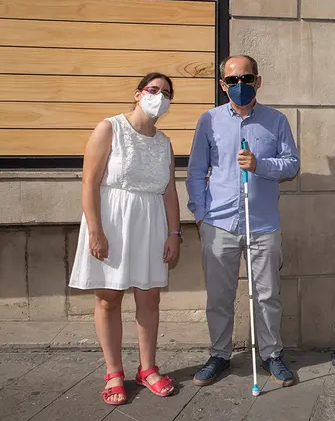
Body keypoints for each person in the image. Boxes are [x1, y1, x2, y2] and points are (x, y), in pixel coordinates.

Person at [187, 55, 300, 387]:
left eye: (246, 79)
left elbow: (292, 165)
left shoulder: (276, 120)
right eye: (232, 80)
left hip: (262, 224)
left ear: (258, 81)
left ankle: (271, 354)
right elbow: (195, 172)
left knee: (267, 294)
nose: (240, 86)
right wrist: (200, 215)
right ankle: (219, 355)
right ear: (223, 84)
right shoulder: (208, 120)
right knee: (219, 295)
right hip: (219, 223)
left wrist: (259, 164)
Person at [69, 72, 180, 405]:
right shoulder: (109, 128)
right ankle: (113, 371)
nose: (159, 96)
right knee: (109, 298)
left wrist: (174, 233)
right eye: (153, 89)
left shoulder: (164, 142)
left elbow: (170, 191)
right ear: (137, 93)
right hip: (112, 221)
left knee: (149, 299)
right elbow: (89, 183)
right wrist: (95, 230)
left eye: (166, 93)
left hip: (150, 223)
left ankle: (147, 369)